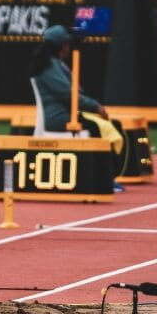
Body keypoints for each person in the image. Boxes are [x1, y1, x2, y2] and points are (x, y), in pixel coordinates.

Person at [29, 24, 125, 191]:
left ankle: (109, 177)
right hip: (59, 119)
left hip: (69, 113)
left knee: (114, 125)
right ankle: (103, 179)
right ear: (61, 46)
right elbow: (68, 95)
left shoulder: (55, 64)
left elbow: (72, 95)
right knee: (95, 128)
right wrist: (96, 107)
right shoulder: (49, 67)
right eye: (67, 43)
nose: (69, 47)